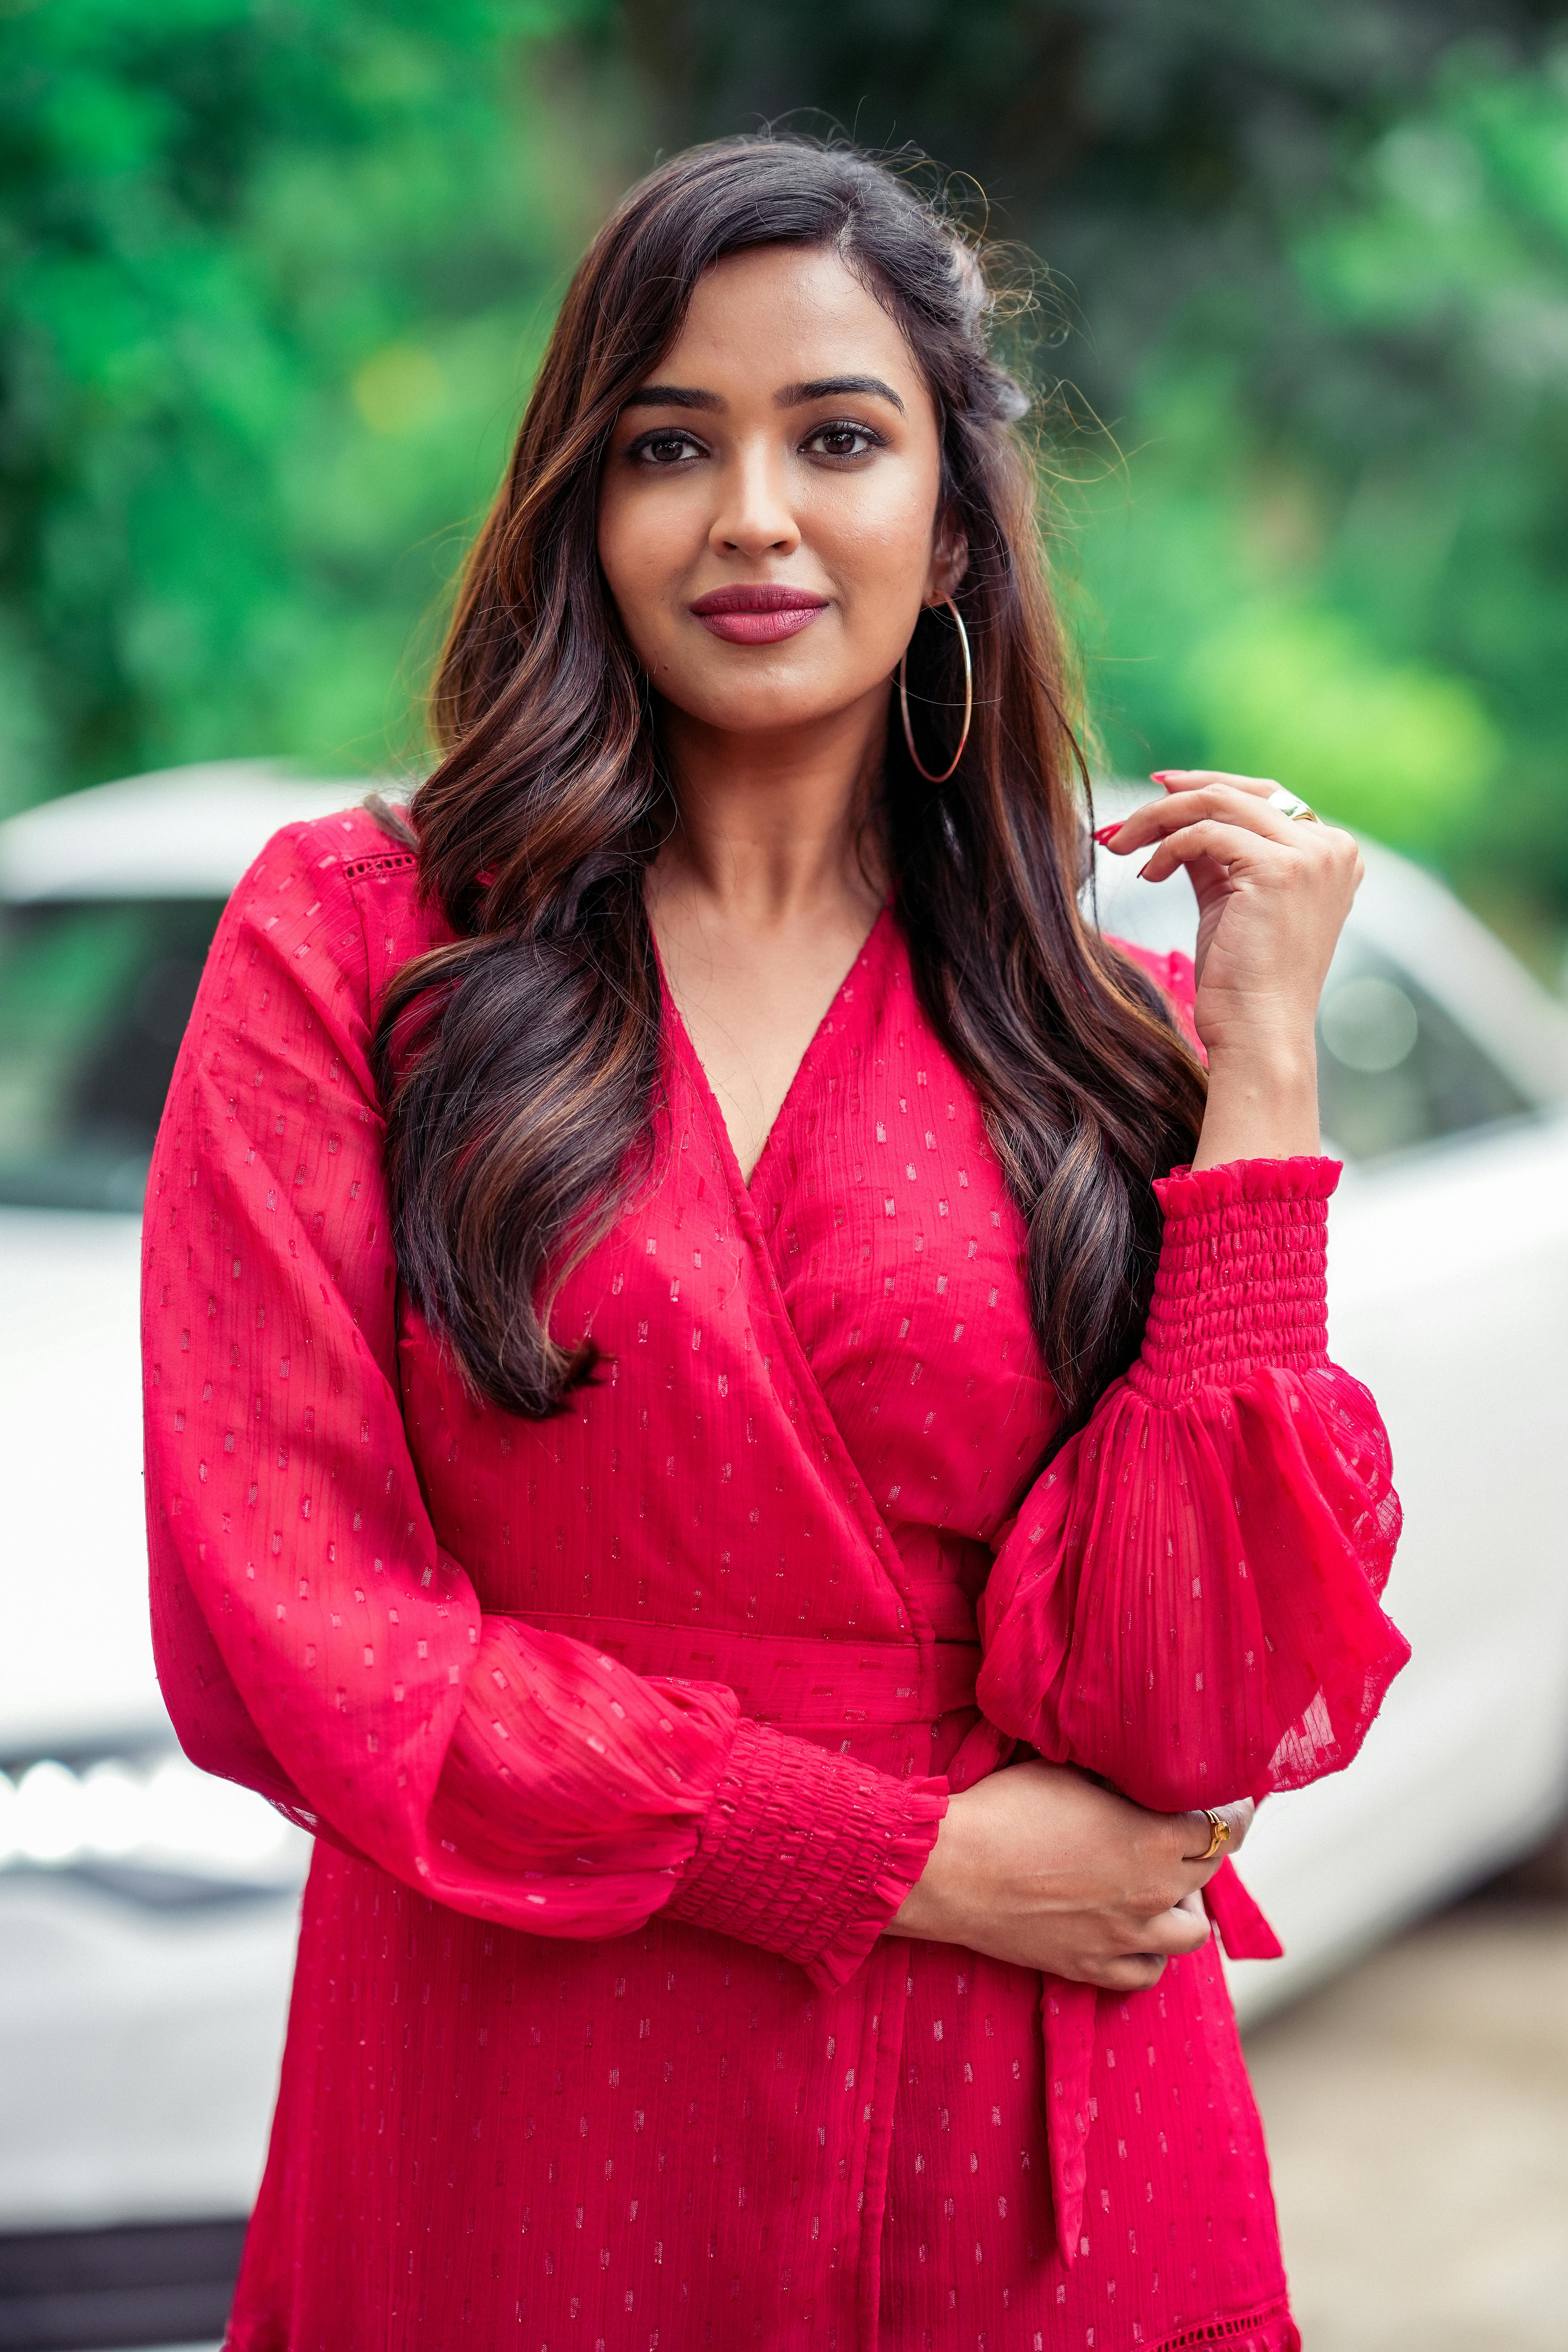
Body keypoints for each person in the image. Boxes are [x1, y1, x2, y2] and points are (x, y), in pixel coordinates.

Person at [142, 135, 1406, 2352]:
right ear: (582, 512)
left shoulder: (1086, 1034)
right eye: (667, 443)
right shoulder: (357, 947)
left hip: (1028, 2154)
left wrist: (1263, 1075)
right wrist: (885, 1858)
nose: (751, 511)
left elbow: (1193, 1705)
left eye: (836, 435)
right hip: (529, 2077)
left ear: (950, 521)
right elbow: (298, 1622)